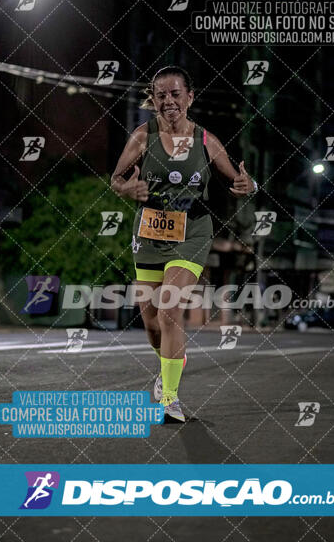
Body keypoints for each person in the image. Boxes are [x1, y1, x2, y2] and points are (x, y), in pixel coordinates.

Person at [111, 66, 256, 422]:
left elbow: (238, 179)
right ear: (153, 100)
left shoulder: (206, 140)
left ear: (190, 98)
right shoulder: (143, 137)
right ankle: (167, 369)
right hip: (148, 233)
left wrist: (247, 185)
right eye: (161, 95)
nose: (169, 101)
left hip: (191, 233)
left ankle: (170, 399)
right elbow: (115, 179)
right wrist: (127, 188)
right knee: (151, 324)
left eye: (176, 94)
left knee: (168, 310)